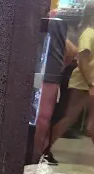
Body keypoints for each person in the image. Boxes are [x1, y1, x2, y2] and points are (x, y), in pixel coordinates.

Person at [47, 2, 94, 157]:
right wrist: (90, 83)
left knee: (83, 120)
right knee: (70, 117)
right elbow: (82, 61)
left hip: (88, 83)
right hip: (84, 83)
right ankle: (45, 149)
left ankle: (45, 148)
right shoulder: (88, 33)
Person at [33, 15, 78, 164]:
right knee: (42, 117)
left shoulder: (51, 21)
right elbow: (72, 51)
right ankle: (38, 152)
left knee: (42, 117)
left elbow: (72, 51)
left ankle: (37, 153)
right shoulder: (51, 20)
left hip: (46, 74)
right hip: (47, 73)